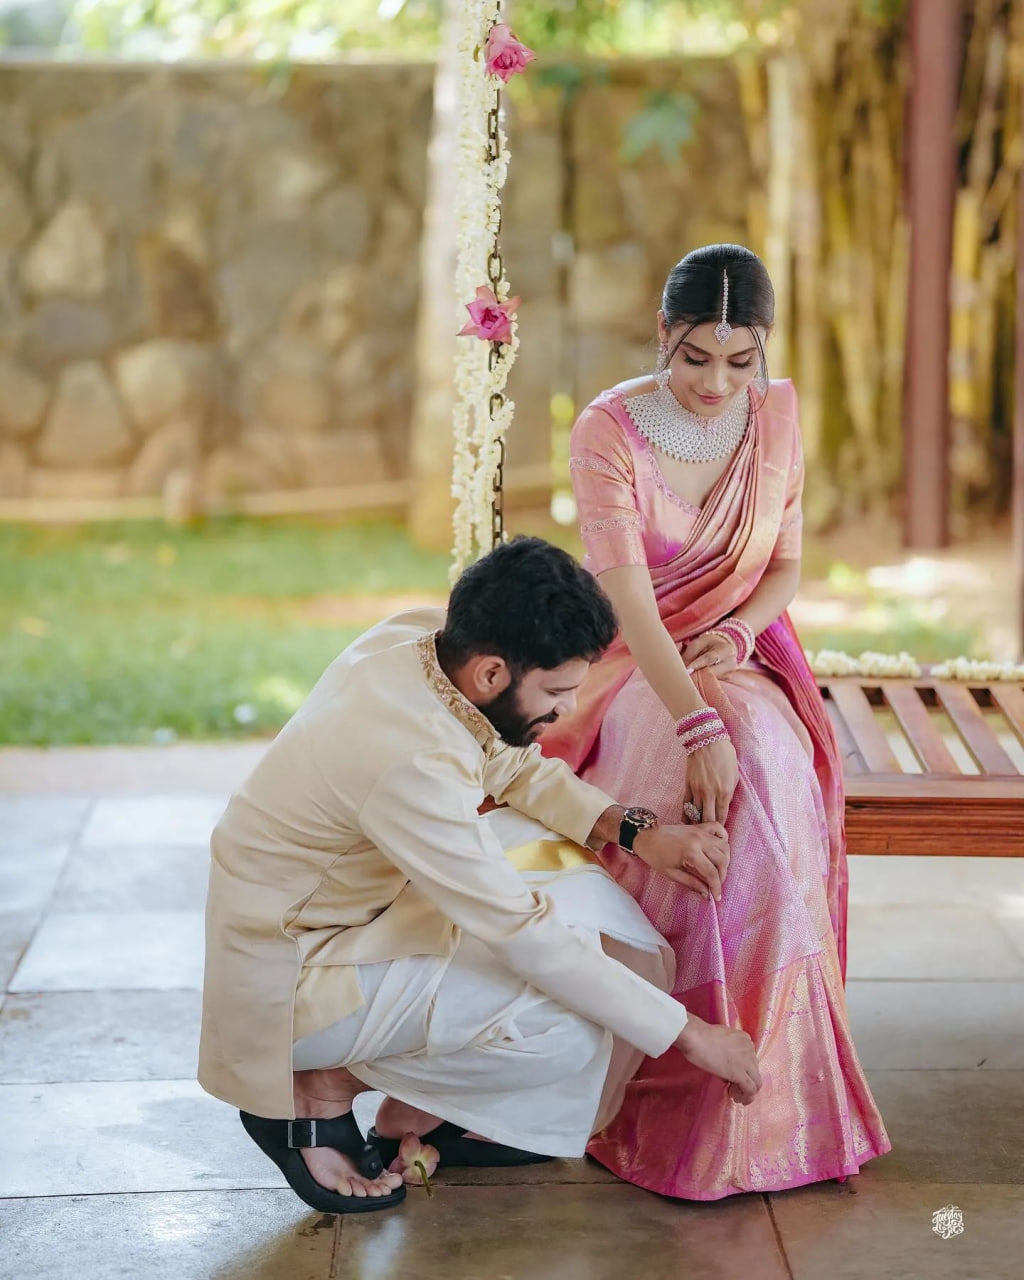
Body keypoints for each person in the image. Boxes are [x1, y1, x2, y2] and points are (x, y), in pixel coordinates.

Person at [198, 536, 761, 1217]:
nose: (565, 710)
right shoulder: (410, 761)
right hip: (288, 977)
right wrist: (695, 1036)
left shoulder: (421, 643)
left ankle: (419, 1098)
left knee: (588, 907)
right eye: (555, 691)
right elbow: (519, 929)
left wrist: (639, 835)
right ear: (493, 675)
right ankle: (317, 1084)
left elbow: (510, 766)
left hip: (349, 910)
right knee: (566, 1033)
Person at [540, 244, 891, 1199]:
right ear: (664, 335)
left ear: (763, 351)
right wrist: (695, 724)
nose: (716, 383)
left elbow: (784, 567)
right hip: (634, 667)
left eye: (740, 361)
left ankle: (782, 1103)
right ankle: (679, 1087)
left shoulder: (775, 418)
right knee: (702, 774)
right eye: (696, 357)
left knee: (772, 769)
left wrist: (735, 641)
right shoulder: (610, 430)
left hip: (738, 652)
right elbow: (633, 607)